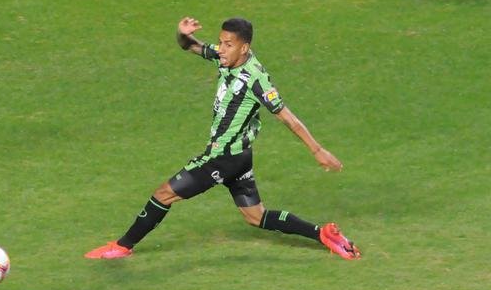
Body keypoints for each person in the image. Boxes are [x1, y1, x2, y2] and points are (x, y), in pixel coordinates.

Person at [86, 17, 360, 260]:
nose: (221, 48)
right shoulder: (225, 57)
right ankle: (323, 234)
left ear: (244, 48)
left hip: (222, 158)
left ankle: (122, 246)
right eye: (220, 42)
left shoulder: (256, 79)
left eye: (228, 44)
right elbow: (190, 46)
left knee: (164, 194)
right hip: (240, 156)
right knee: (256, 216)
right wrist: (182, 33)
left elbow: (287, 117)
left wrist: (318, 150)